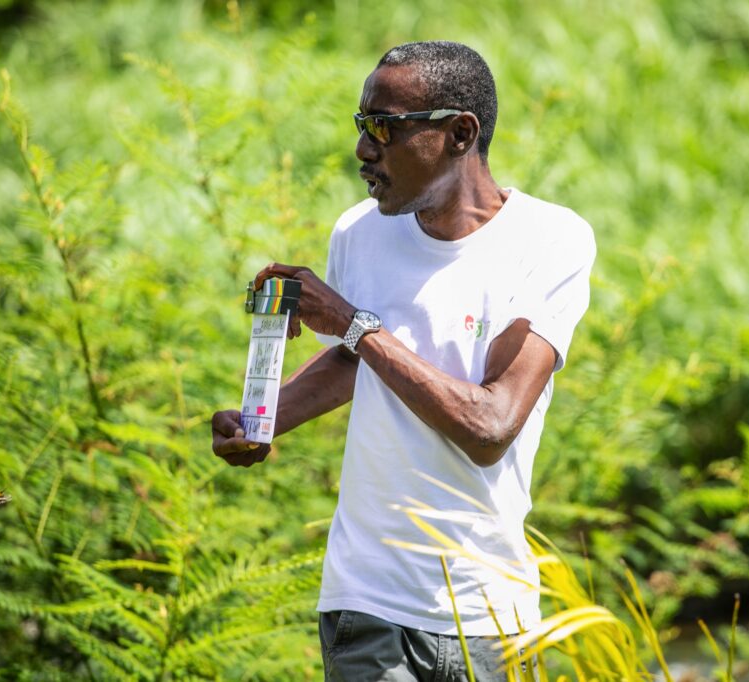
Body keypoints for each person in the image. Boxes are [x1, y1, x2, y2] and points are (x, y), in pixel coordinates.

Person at [211, 41, 595, 681]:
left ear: (459, 134)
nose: (364, 149)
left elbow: (490, 427)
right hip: (367, 602)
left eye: (384, 128)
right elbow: (354, 364)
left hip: (488, 612)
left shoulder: (549, 241)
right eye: (361, 125)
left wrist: (353, 323)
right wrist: (264, 419)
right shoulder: (359, 232)